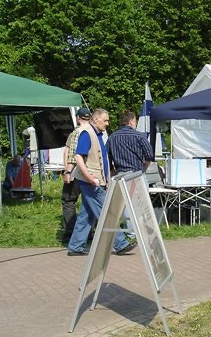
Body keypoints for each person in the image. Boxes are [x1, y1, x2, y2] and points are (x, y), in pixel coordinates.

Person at [67, 108, 137, 257]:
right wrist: (89, 177)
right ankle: (121, 244)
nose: (107, 123)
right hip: (91, 182)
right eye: (105, 120)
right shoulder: (87, 133)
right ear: (96, 119)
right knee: (107, 211)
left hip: (93, 181)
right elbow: (78, 157)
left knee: (87, 215)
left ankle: (75, 246)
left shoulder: (97, 134)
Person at [107, 110, 155, 238]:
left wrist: (112, 170)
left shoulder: (112, 137)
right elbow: (149, 155)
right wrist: (144, 168)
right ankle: (143, 230)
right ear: (131, 121)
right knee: (142, 203)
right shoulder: (139, 136)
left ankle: (131, 231)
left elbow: (107, 156)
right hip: (137, 173)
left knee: (125, 204)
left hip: (121, 174)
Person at [61, 107, 92, 242]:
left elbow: (71, 154)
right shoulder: (94, 132)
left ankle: (70, 232)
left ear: (78, 118)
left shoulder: (76, 132)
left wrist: (67, 171)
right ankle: (89, 232)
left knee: (68, 200)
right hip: (90, 172)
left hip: (76, 171)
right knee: (89, 202)